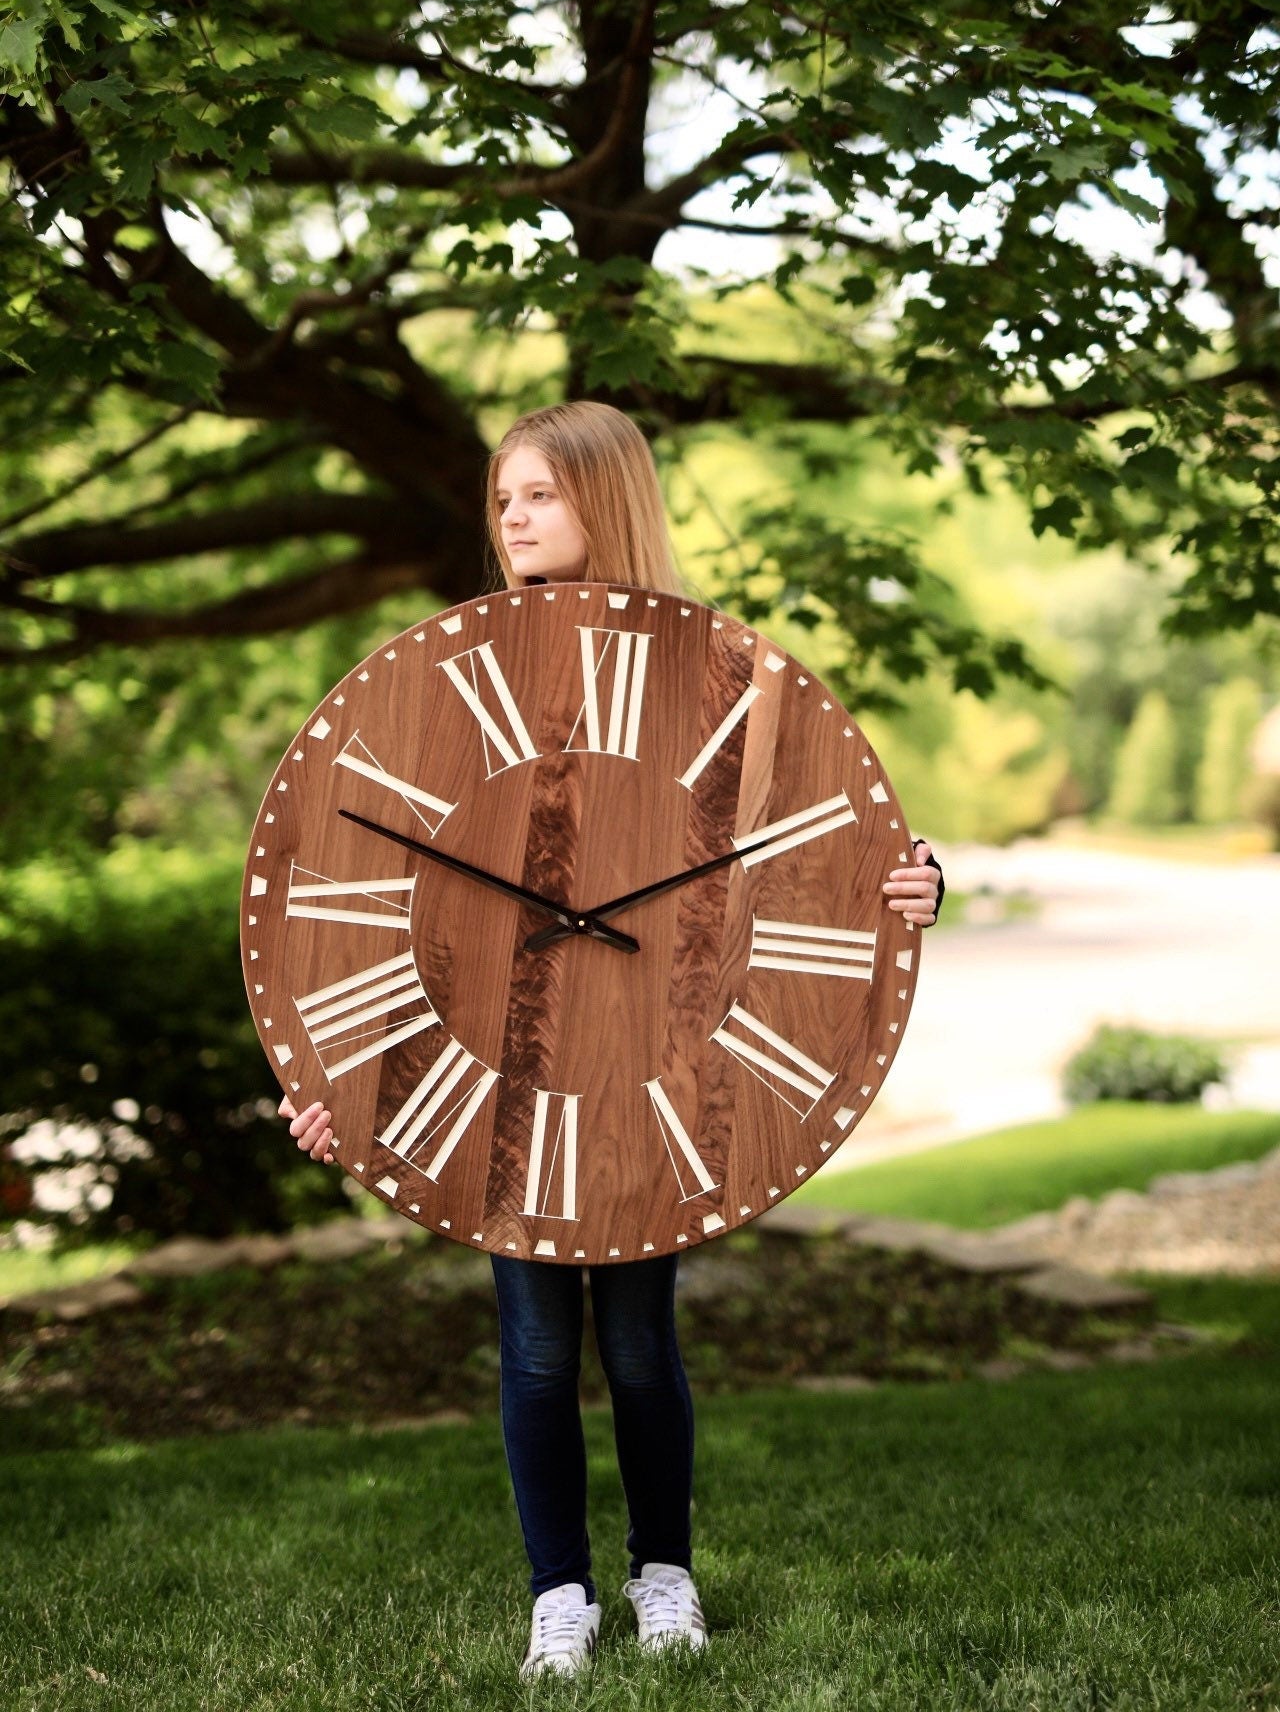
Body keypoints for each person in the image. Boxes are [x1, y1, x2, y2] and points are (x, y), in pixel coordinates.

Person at [279, 401, 944, 1678]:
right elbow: (347, 898)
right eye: (501, 499)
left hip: (651, 1061)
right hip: (506, 1068)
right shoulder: (456, 674)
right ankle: (560, 1597)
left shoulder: (710, 676)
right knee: (533, 1345)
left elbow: (812, 842)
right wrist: (331, 1091)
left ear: (605, 497)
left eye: (536, 494)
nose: (510, 519)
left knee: (638, 1343)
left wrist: (914, 881)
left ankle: (663, 1577)